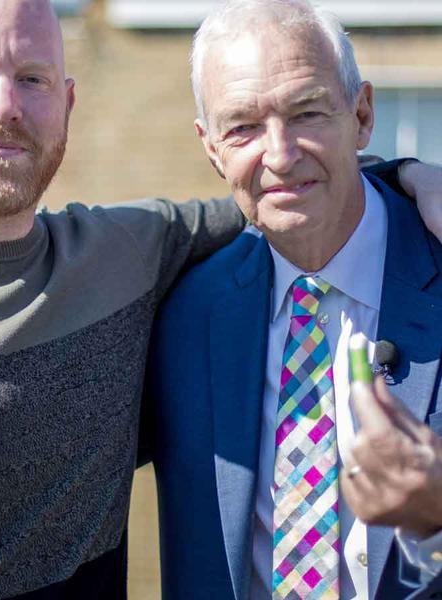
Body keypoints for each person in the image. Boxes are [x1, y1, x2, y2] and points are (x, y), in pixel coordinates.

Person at [0, 1, 439, 599]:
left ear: (66, 103)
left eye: (32, 79)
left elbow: (286, 188)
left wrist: (407, 173)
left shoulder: (131, 260)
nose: (4, 104)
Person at [145, 1, 442, 599]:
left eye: (307, 112)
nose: (279, 155)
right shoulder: (180, 314)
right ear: (211, 147)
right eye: (243, 127)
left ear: (362, 116)